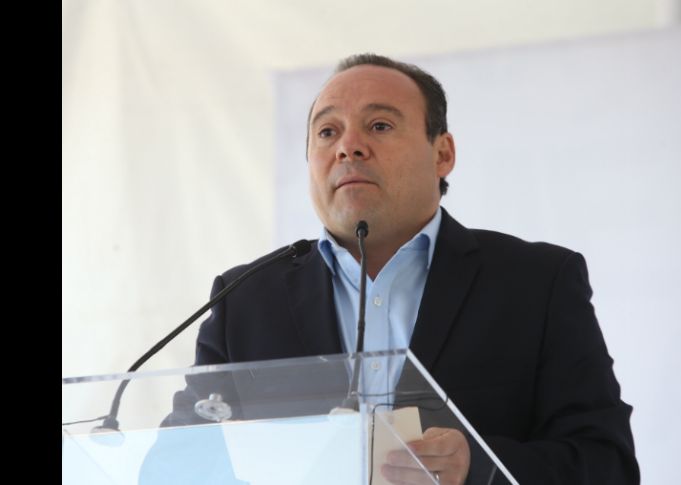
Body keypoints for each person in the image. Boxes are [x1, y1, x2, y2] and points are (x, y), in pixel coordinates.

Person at [185, 54, 640, 484]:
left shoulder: (536, 283)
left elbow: (608, 463)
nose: (348, 147)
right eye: (327, 132)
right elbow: (178, 461)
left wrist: (476, 466)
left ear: (442, 154)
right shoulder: (243, 300)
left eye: (379, 126)